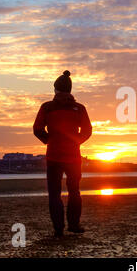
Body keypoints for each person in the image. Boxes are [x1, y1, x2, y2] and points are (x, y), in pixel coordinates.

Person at [33, 70, 92, 237]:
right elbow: (87, 130)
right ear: (70, 90)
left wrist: (48, 140)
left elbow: (37, 129)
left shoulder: (47, 107)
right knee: (74, 191)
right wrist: (76, 141)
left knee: (54, 193)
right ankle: (73, 224)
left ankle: (58, 228)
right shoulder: (79, 108)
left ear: (56, 90)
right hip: (73, 156)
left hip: (54, 156)